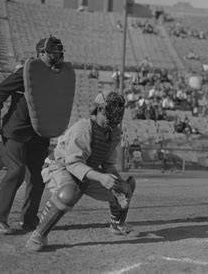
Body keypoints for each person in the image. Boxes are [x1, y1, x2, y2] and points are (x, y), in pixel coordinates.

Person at [25, 91, 136, 251]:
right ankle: (38, 236)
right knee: (69, 193)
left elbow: (108, 165)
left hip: (87, 171)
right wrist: (101, 178)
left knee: (127, 187)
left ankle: (117, 225)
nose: (117, 110)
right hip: (60, 166)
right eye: (112, 106)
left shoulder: (114, 132)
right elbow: (73, 164)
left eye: (119, 107)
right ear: (99, 109)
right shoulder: (84, 128)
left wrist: (119, 185)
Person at [0, 36, 69, 234]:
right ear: (41, 53)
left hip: (39, 134)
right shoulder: (26, 72)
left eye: (59, 51)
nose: (57, 55)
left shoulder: (56, 77)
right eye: (53, 51)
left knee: (38, 177)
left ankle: (29, 220)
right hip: (15, 132)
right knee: (16, 170)